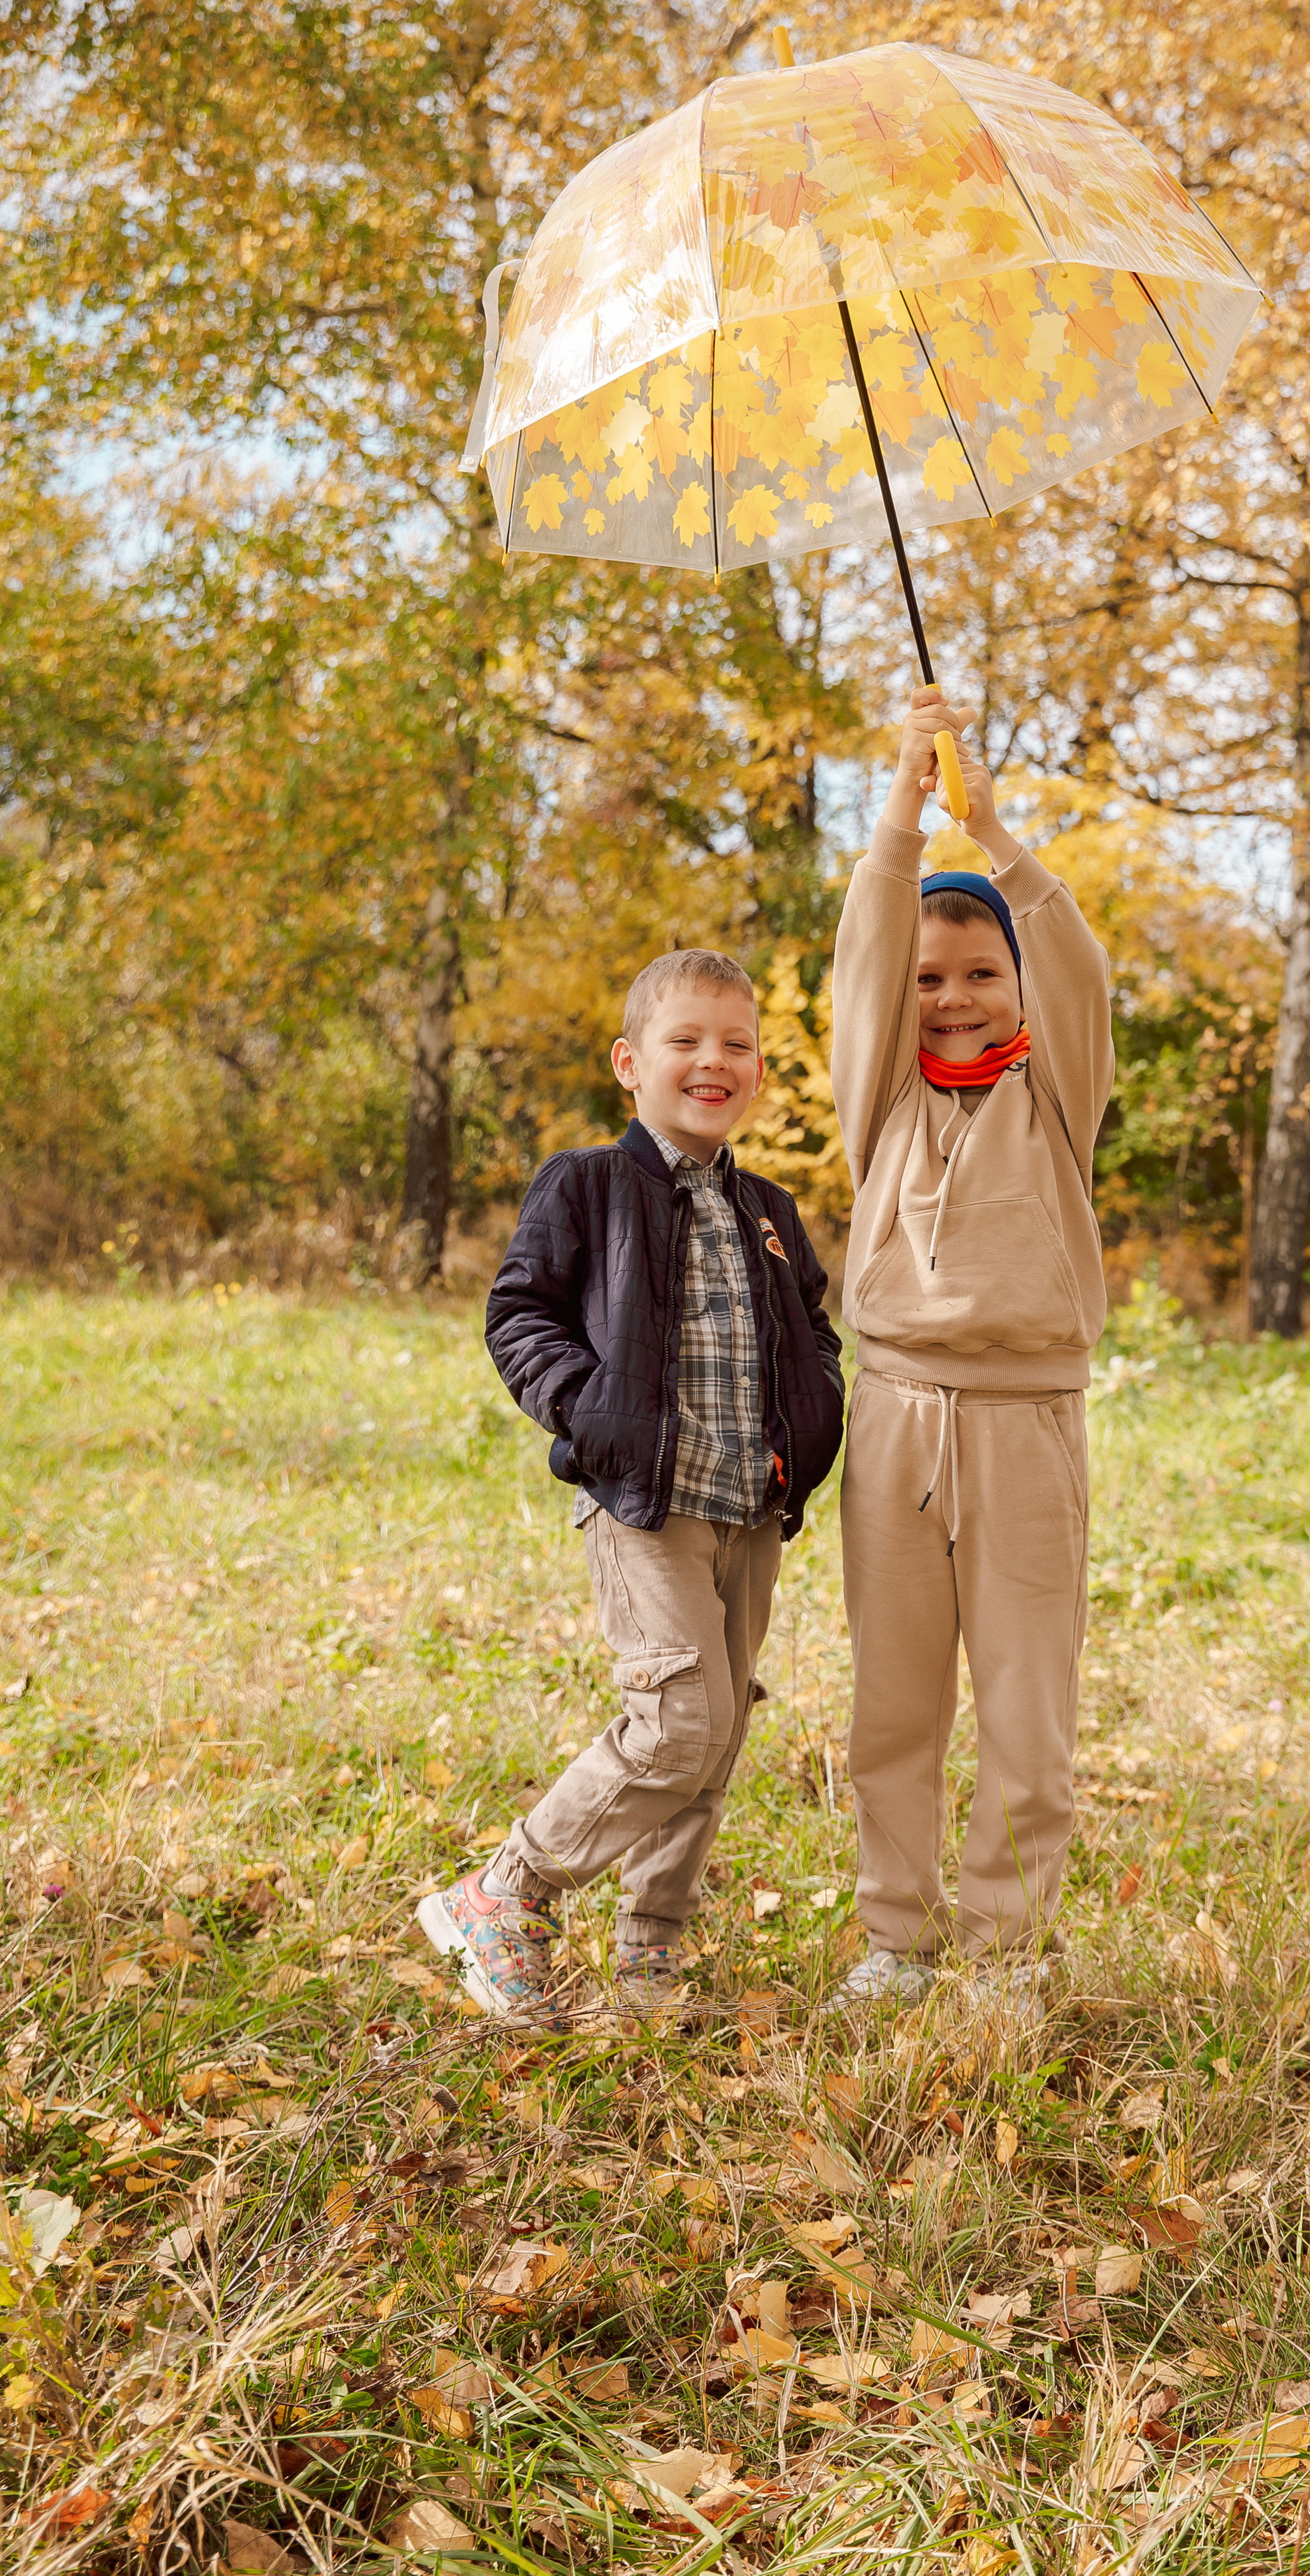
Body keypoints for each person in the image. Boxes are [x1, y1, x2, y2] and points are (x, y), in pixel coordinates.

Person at [417, 949, 845, 2032]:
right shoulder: (590, 1184)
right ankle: (507, 1888)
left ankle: (649, 1962)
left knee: (719, 1733)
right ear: (630, 1062)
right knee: (675, 1725)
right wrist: (588, 1411)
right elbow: (519, 1316)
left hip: (750, 1502)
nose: (715, 1060)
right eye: (686, 1040)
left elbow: (815, 1332)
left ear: (757, 1070)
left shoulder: (771, 1211)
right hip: (644, 1500)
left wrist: (818, 1414)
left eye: (737, 1043)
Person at [828, 689, 1114, 2009]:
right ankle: (898, 1932)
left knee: (1025, 1709)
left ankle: (1006, 1951)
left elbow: (1078, 970)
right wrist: (900, 799)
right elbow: (867, 965)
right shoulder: (883, 1093)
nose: (950, 997)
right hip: (896, 1418)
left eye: (979, 973)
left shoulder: (1055, 1094)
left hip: (1026, 1426)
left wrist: (990, 832)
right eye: (933, 978)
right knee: (893, 1701)